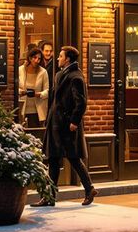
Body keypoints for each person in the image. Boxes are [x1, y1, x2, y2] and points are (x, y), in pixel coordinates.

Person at [35, 46, 97, 207]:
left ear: (67, 59)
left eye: (60, 56)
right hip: (56, 123)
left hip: (67, 125)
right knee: (54, 159)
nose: (57, 58)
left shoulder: (76, 77)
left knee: (74, 159)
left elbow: (81, 102)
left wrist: (74, 122)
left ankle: (89, 189)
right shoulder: (60, 75)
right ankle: (50, 196)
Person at [18, 48, 50, 123]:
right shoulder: (20, 70)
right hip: (22, 108)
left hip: (37, 110)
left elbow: (47, 91)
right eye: (34, 58)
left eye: (39, 59)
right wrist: (22, 92)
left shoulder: (43, 72)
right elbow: (14, 87)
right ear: (29, 58)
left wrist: (38, 94)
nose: (36, 61)